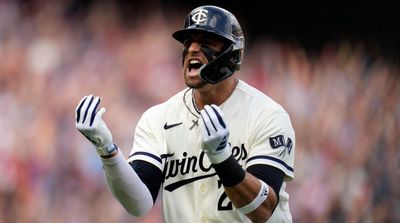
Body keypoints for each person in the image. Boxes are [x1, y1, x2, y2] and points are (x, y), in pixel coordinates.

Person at [75, 5, 295, 223]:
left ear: (231, 53)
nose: (192, 49)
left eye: (206, 42)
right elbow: (138, 204)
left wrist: (222, 159)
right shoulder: (158, 118)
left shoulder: (267, 114)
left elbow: (263, 210)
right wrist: (106, 149)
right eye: (188, 42)